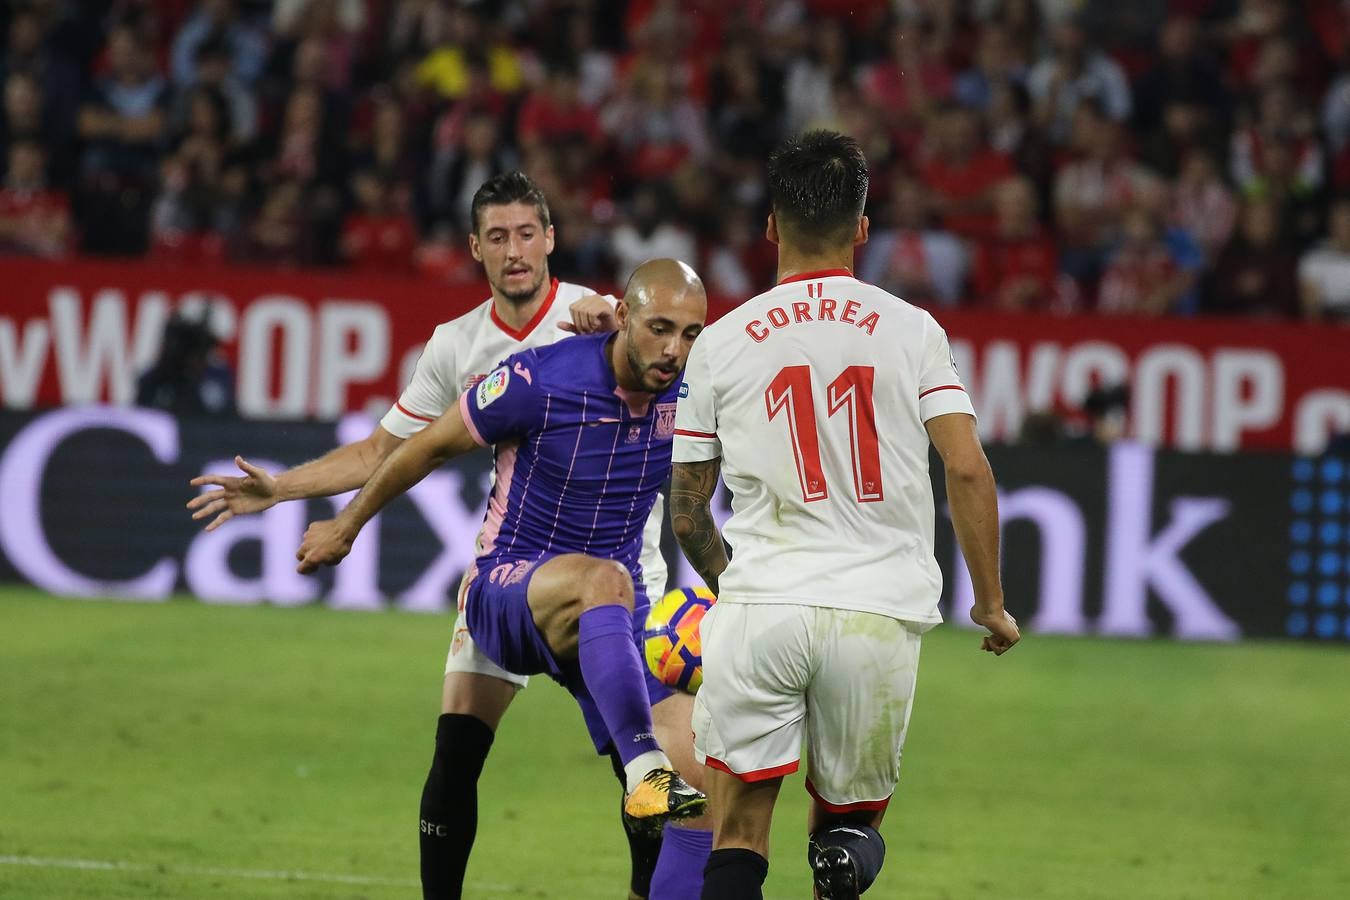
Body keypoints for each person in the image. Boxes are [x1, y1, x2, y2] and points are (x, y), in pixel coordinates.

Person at [186, 172, 674, 900]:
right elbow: (384, 449)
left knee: (648, 771)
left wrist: (616, 323)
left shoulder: (594, 317)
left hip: (619, 575)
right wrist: (281, 488)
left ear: (551, 239)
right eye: (499, 237)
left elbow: (662, 356)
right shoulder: (456, 345)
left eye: (528, 233)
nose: (516, 251)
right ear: (475, 248)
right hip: (519, 569)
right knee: (456, 756)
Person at [668, 131, 1020, 900]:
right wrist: (990, 603)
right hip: (877, 614)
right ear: (863, 229)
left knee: (737, 833)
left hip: (764, 604)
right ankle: (840, 861)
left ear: (770, 226)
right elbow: (965, 466)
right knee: (847, 833)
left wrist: (738, 588)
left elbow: (688, 512)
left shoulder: (721, 343)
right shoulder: (912, 330)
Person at [295, 258, 713, 894]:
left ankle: (653, 796)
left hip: (609, 610)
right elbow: (426, 446)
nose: (674, 349)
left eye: (690, 334)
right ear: (623, 316)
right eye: (660, 328)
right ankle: (644, 770)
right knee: (601, 586)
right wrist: (346, 526)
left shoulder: (693, 396)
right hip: (510, 589)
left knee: (703, 782)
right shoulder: (538, 379)